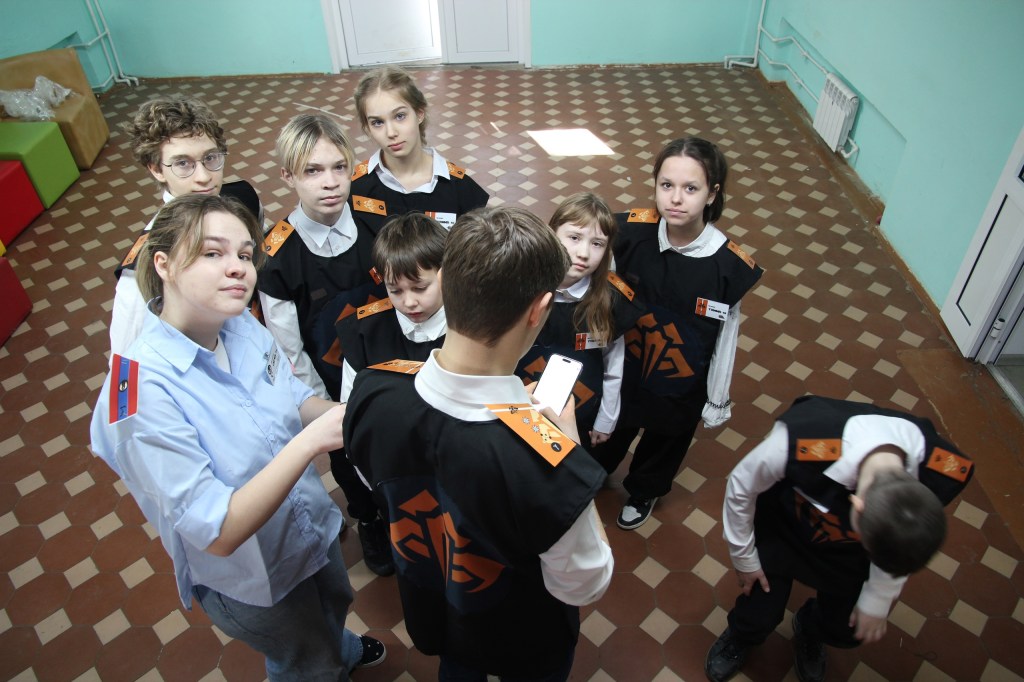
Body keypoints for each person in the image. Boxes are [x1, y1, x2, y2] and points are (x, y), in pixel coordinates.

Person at [89, 194, 384, 681]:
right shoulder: (140, 393)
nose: (238, 268)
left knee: (333, 606)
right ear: (163, 264)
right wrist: (311, 443)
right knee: (304, 659)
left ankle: (340, 649)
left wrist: (354, 416)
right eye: (213, 252)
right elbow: (219, 531)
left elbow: (293, 399)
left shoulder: (240, 323)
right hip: (256, 577)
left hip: (307, 524)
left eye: (246, 254)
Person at [343, 206, 614, 681]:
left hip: (439, 613)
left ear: (446, 285)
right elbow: (584, 583)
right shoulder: (547, 460)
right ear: (539, 309)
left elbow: (374, 478)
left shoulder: (372, 389)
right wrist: (566, 449)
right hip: (525, 639)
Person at [704, 395, 974, 682]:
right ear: (857, 505)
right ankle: (742, 636)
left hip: (849, 553)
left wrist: (879, 597)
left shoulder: (944, 469)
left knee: (845, 628)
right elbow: (741, 487)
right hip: (784, 528)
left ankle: (809, 628)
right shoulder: (797, 441)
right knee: (758, 614)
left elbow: (901, 544)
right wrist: (744, 557)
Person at [592, 136, 764, 530]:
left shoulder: (727, 267)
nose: (675, 198)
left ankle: (644, 489)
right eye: (666, 185)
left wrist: (716, 397)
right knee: (611, 428)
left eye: (691, 188)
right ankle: (595, 472)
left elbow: (726, 340)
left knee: (665, 438)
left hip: (680, 380)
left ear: (712, 194)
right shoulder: (627, 233)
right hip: (626, 368)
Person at [258, 112, 390, 574]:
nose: (330, 182)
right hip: (329, 385)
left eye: (339, 167)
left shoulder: (377, 221)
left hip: (390, 365)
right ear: (288, 176)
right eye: (312, 171)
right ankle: (369, 517)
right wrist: (326, 405)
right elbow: (289, 350)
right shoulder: (276, 257)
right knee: (347, 454)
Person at [332, 212, 449, 576]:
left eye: (420, 288)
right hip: (391, 464)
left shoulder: (473, 321)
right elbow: (352, 410)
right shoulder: (364, 331)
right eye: (395, 290)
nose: (409, 302)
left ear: (447, 273)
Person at [109, 95, 264, 357]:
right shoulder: (146, 260)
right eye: (183, 163)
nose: (203, 177)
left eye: (210, 158)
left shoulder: (244, 200)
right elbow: (125, 359)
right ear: (156, 169)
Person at [515, 192, 644, 448]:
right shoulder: (522, 286)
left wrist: (606, 419)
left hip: (579, 416)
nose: (583, 253)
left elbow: (613, 366)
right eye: (574, 238)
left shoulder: (610, 300)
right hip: (521, 406)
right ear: (552, 234)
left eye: (597, 243)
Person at [350, 66, 489, 233]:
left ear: (419, 113)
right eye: (377, 122)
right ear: (367, 128)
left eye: (400, 116)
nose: (391, 133)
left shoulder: (460, 189)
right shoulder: (355, 188)